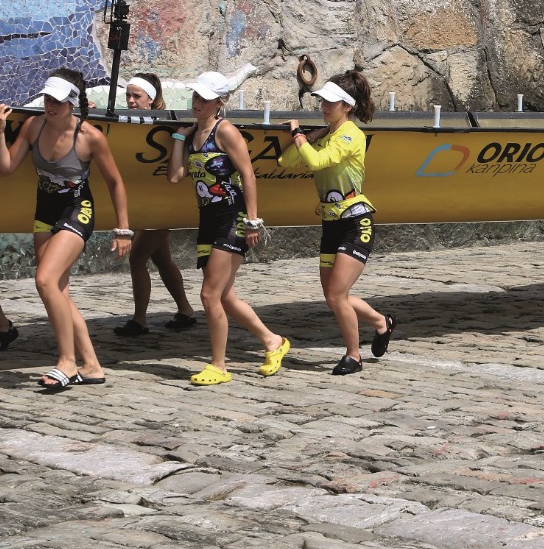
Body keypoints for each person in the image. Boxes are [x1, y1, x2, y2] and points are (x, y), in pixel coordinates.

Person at [0, 70, 130, 391]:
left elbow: (116, 182)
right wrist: (0, 130)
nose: (50, 105)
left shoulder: (90, 136)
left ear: (71, 103)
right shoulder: (33, 125)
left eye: (57, 100)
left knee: (44, 280)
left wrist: (123, 229)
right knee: (58, 292)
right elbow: (5, 168)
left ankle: (66, 362)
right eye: (47, 99)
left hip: (77, 210)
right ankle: (92, 365)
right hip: (45, 211)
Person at [168, 71, 290, 385]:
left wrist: (252, 221)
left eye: (204, 99)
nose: (197, 103)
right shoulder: (195, 132)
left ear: (219, 103)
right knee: (226, 297)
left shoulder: (226, 132)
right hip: (208, 219)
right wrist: (180, 138)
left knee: (209, 294)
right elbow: (175, 176)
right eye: (195, 97)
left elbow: (248, 175)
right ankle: (272, 341)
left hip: (231, 218)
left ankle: (219, 365)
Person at [279, 70, 394, 375]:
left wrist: (298, 134)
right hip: (331, 223)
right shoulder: (327, 135)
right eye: (322, 101)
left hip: (357, 222)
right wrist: (312, 136)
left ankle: (353, 356)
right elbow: (286, 161)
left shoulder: (350, 135)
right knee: (334, 296)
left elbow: (315, 162)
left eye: (331, 102)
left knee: (336, 295)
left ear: (347, 106)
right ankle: (381, 322)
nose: (324, 107)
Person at [116, 73, 198, 336]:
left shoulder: (161, 124)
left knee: (138, 258)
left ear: (150, 99)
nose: (130, 101)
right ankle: (185, 310)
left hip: (162, 202)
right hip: (149, 202)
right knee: (162, 260)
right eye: (128, 95)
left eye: (136, 96)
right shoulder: (130, 121)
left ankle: (140, 320)